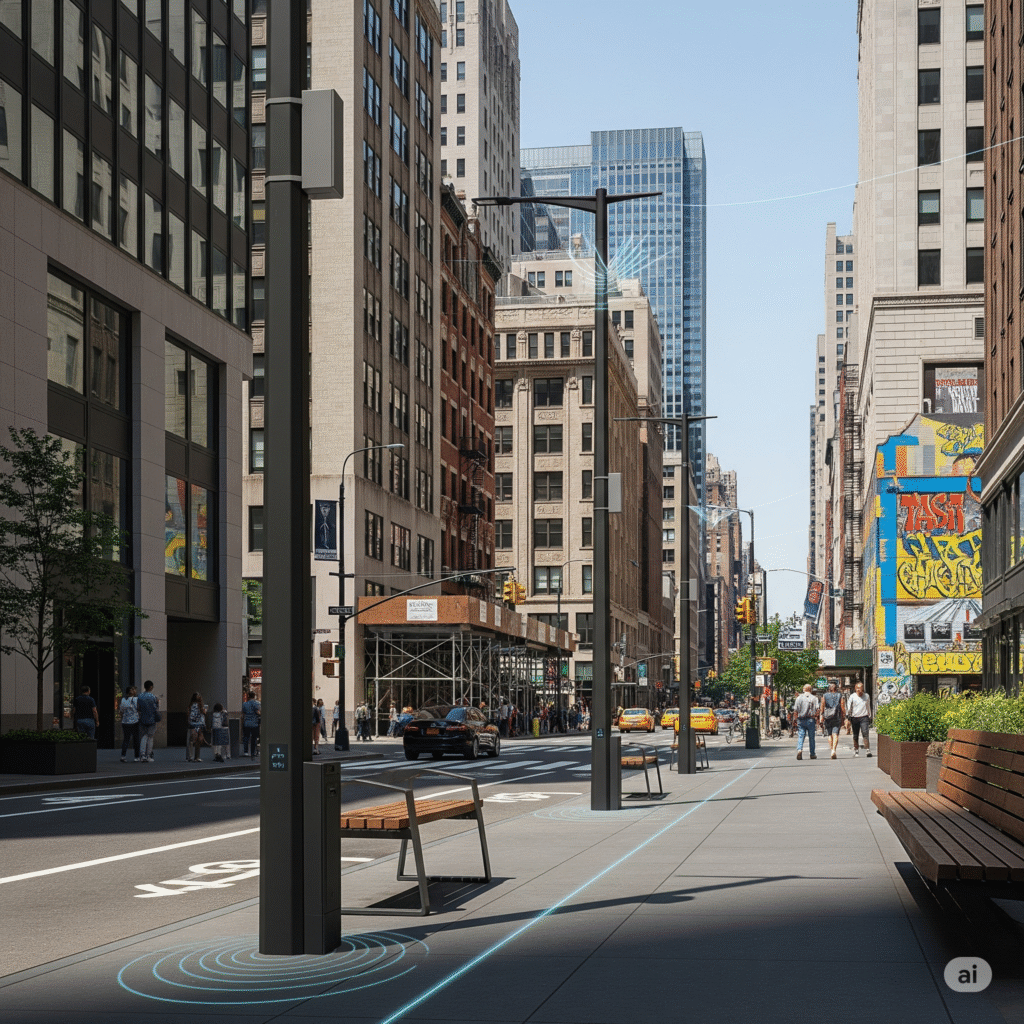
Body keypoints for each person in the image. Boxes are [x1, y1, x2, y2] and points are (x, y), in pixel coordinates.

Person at [793, 683, 820, 760]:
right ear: (810, 690)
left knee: (801, 736)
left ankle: (799, 749)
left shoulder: (799, 698)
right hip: (810, 719)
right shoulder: (814, 698)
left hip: (801, 720)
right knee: (811, 737)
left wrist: (795, 720)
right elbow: (818, 709)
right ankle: (812, 754)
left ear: (803, 689)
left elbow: (795, 711)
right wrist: (816, 717)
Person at [820, 680, 846, 759]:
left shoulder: (824, 695)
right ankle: (834, 750)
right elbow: (842, 706)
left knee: (829, 734)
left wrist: (821, 716)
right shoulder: (839, 695)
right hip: (836, 716)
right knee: (835, 734)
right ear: (836, 687)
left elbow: (822, 706)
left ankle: (831, 749)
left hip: (828, 717)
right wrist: (844, 716)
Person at [847, 681, 873, 756]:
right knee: (855, 735)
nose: (859, 690)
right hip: (854, 717)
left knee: (865, 733)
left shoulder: (866, 696)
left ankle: (868, 750)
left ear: (863, 689)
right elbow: (849, 706)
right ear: (855, 688)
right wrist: (848, 716)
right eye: (858, 688)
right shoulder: (852, 696)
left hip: (864, 717)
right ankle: (856, 750)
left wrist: (870, 715)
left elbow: (868, 705)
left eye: (861, 688)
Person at [137, 680, 160, 762]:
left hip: (142, 718)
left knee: (143, 736)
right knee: (150, 737)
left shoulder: (139, 696)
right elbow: (156, 708)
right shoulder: (153, 697)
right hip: (151, 719)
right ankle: (148, 755)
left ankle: (142, 755)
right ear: (151, 687)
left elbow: (138, 708)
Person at [118, 686, 140, 762]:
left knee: (126, 739)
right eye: (134, 690)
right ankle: (137, 756)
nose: (135, 691)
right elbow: (139, 709)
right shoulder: (136, 699)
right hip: (135, 722)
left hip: (125, 722)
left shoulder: (123, 700)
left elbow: (121, 711)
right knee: (136, 739)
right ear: (132, 691)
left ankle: (123, 756)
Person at [241, 689, 261, 760]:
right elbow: (259, 712)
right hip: (255, 723)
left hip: (246, 723)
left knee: (246, 737)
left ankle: (246, 752)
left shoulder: (244, 704)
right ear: (254, 696)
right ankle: (253, 752)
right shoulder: (257, 703)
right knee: (254, 738)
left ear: (248, 696)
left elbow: (243, 713)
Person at [187, 692, 207, 762]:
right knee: (197, 740)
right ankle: (196, 757)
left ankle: (191, 756)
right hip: (198, 724)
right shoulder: (198, 705)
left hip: (193, 724)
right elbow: (201, 714)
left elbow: (190, 715)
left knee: (193, 740)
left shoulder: (191, 705)